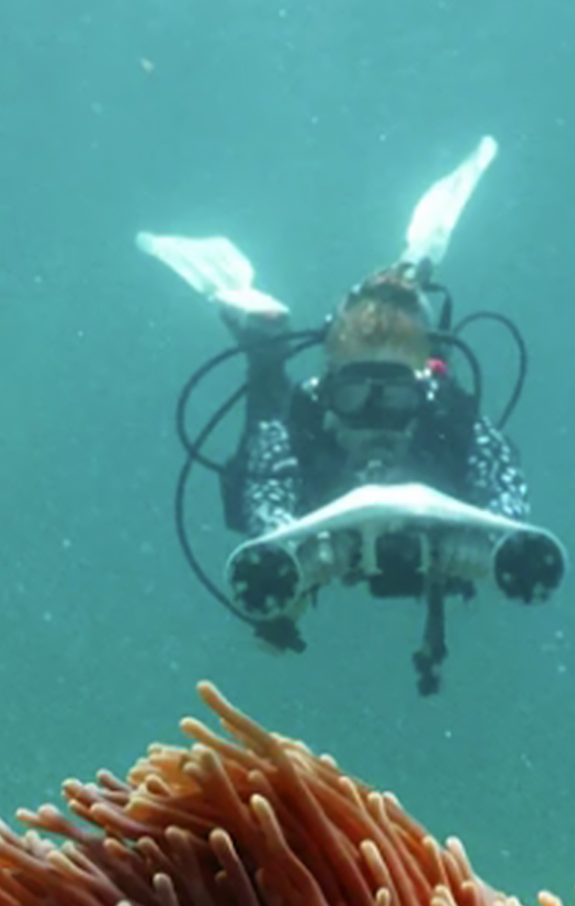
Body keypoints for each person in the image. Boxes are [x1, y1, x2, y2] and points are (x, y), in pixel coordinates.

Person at [220, 265, 532, 653]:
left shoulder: (451, 420)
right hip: (317, 505)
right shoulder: (301, 427)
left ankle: (409, 284)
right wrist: (300, 550)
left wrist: (486, 538)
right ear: (331, 390)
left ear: (420, 393)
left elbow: (505, 488)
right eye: (355, 395)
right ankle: (265, 350)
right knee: (261, 431)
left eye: (395, 397)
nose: (376, 418)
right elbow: (264, 495)